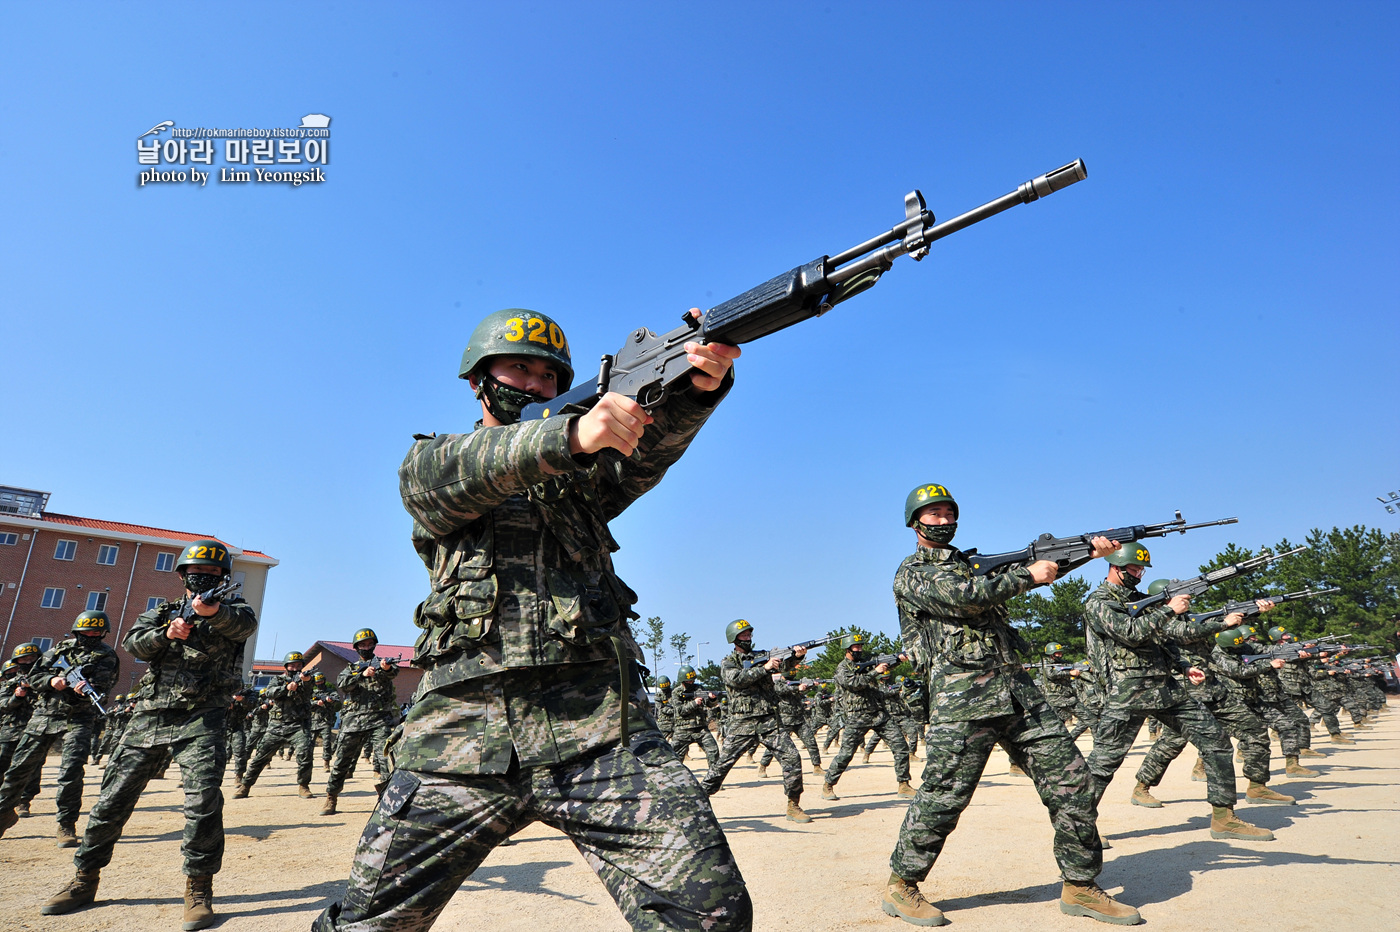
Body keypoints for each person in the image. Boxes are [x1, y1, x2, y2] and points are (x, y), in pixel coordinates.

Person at [314, 307, 749, 930]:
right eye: (519, 367)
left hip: (600, 732)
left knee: (711, 914)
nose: (536, 385)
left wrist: (694, 389)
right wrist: (570, 437)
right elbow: (448, 478)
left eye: (550, 376)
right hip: (460, 742)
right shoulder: (437, 461)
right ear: (477, 380)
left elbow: (644, 455)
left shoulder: (585, 478)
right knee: (367, 925)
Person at [882, 482, 1139, 927]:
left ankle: (1080, 884)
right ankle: (902, 883)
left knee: (1073, 780)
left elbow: (1030, 572)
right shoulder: (913, 572)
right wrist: (1027, 575)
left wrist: (1086, 554)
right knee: (946, 795)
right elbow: (965, 598)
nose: (942, 521)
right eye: (933, 515)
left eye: (948, 513)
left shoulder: (973, 564)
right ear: (915, 522)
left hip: (1018, 692)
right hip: (963, 700)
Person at [40, 539, 257, 928]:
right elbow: (134, 644)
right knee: (112, 799)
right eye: (196, 573)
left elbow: (242, 626)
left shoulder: (233, 609)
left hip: (202, 714)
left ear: (222, 578)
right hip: (151, 713)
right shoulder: (159, 613)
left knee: (203, 801)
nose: (203, 577)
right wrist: (169, 633)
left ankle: (198, 888)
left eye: (212, 574)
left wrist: (212, 612)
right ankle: (84, 878)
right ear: (181, 576)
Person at [1084, 542, 1275, 844]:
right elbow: (1131, 634)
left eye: (1140, 569)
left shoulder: (1141, 600)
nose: (1138, 573)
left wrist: (1185, 665)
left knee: (1216, 740)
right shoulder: (1098, 601)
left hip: (1164, 686)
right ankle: (1079, 826)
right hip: (1127, 691)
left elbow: (1169, 636)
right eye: (1134, 568)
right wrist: (1168, 610)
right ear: (1116, 567)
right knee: (1104, 762)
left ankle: (1224, 817)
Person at [0, 611, 120, 846]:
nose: (92, 636)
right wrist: (51, 681)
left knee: (71, 772)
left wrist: (88, 689)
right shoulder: (58, 651)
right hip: (44, 716)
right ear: (77, 632)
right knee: (19, 769)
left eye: (97, 632)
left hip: (78, 718)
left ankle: (66, 825)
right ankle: (3, 814)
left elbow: (103, 688)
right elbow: (35, 677)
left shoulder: (106, 655)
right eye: (87, 632)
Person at [699, 619, 811, 823]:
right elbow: (737, 680)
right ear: (734, 639)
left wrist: (797, 657)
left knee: (792, 758)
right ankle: (696, 804)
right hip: (743, 723)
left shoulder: (762, 655)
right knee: (721, 766)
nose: (748, 637)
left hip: (769, 720)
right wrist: (765, 668)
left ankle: (793, 805)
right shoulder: (728, 661)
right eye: (744, 635)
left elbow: (784, 666)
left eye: (749, 634)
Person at [820, 634, 914, 801]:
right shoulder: (842, 668)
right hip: (857, 716)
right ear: (848, 649)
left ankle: (904, 784)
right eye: (856, 647)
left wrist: (898, 660)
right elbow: (854, 684)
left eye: (861, 646)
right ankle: (828, 785)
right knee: (846, 754)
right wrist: (874, 672)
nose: (860, 650)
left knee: (900, 746)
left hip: (878, 712)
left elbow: (883, 667)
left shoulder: (867, 661)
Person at [321, 628, 399, 815]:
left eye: (369, 644)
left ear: (374, 645)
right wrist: (361, 675)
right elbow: (343, 684)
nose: (366, 647)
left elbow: (392, 672)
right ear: (356, 648)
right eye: (362, 645)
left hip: (380, 720)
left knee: (386, 760)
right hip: (354, 721)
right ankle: (331, 797)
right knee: (342, 761)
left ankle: (387, 800)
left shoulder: (383, 664)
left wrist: (384, 668)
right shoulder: (350, 668)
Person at [235, 652, 316, 798]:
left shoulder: (307, 680)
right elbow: (270, 693)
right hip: (276, 726)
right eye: (292, 665)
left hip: (298, 725)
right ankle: (245, 785)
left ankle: (303, 786)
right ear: (286, 666)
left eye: (298, 665)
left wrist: (306, 680)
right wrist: (286, 688)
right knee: (260, 757)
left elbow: (310, 691)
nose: (295, 668)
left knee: (305, 753)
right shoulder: (277, 680)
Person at [0, 645, 44, 817]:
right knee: (3, 765)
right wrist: (17, 696)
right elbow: (3, 705)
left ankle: (24, 801)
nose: (28, 662)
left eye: (31, 658)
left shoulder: (44, 681)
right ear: (16, 662)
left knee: (33, 768)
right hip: (10, 731)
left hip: (36, 730)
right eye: (23, 659)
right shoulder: (11, 684)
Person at [759, 672, 822, 775]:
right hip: (785, 721)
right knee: (776, 745)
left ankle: (817, 767)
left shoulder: (796, 683)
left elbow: (801, 693)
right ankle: (763, 766)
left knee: (811, 742)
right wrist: (798, 688)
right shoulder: (778, 684)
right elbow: (781, 690)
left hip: (799, 719)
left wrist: (810, 685)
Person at [670, 665, 720, 770]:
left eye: (692, 681)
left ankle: (714, 780)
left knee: (713, 751)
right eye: (688, 681)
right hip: (682, 729)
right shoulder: (676, 692)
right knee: (675, 757)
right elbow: (680, 711)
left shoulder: (699, 689)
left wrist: (712, 699)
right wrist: (695, 703)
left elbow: (709, 704)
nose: (691, 683)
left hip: (700, 728)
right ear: (682, 680)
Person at [310, 672, 343, 773]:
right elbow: (307, 702)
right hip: (314, 720)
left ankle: (326, 763)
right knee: (309, 743)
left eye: (321, 681)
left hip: (326, 720)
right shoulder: (313, 692)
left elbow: (336, 698)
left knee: (327, 742)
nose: (319, 683)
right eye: (317, 682)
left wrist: (330, 700)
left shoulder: (330, 691)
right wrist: (316, 702)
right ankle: (308, 762)